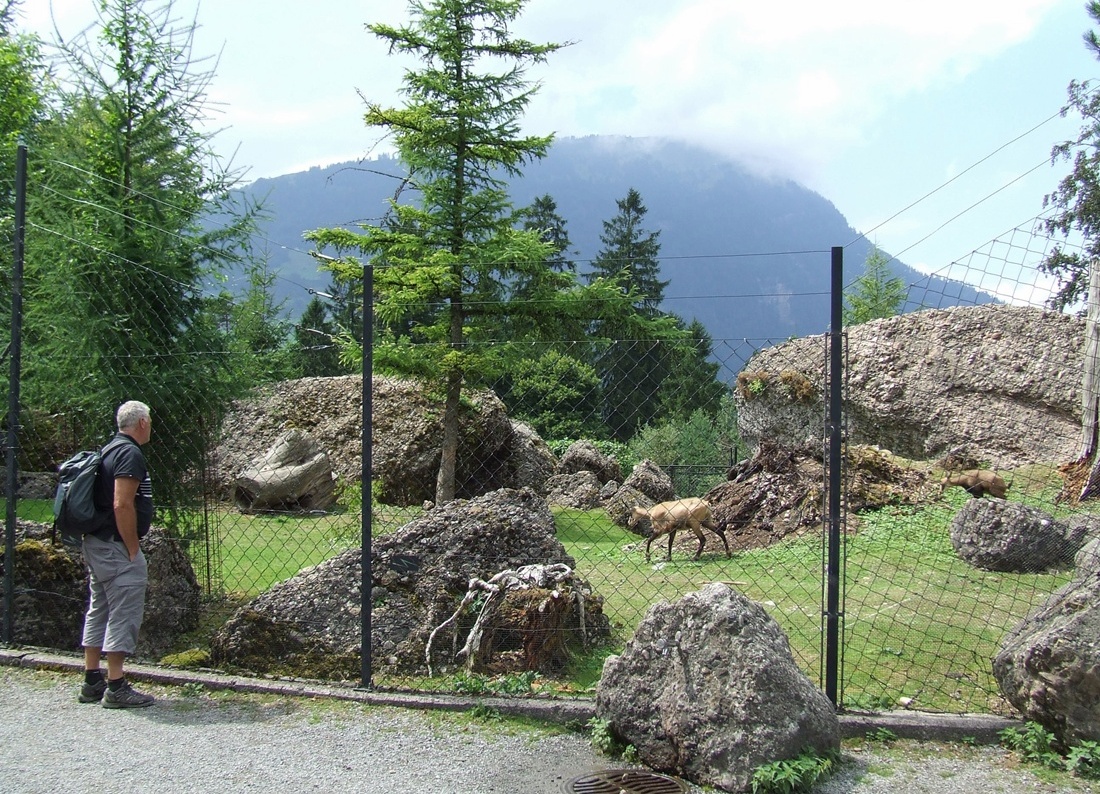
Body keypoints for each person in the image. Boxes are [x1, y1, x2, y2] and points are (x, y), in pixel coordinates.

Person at [77, 400, 155, 708]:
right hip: (115, 546)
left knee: (100, 608)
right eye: (150, 421)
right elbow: (122, 504)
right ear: (142, 423)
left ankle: (91, 680)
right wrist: (132, 547)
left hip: (97, 543)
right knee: (123, 610)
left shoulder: (109, 448)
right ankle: (117, 685)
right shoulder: (129, 453)